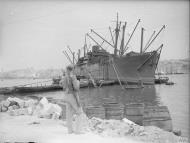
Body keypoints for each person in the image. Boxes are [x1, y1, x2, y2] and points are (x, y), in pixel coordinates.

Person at [61, 65, 83, 134]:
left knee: (69, 114)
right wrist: (78, 82)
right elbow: (76, 88)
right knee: (79, 112)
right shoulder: (73, 77)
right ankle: (78, 131)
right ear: (71, 70)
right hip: (73, 96)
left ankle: (70, 131)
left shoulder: (64, 77)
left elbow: (63, 87)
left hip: (66, 96)